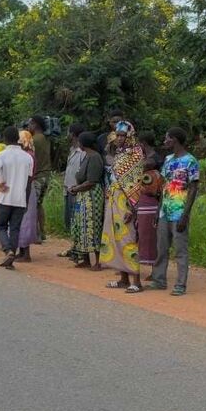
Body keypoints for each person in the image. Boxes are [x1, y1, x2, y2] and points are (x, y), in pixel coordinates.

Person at [152, 127, 200, 296]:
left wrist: (185, 215)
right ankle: (159, 280)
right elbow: (163, 187)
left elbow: (193, 189)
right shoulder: (168, 159)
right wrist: (158, 212)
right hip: (165, 210)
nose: (165, 142)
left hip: (179, 211)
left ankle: (180, 284)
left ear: (174, 140)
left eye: (167, 138)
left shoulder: (190, 161)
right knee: (161, 247)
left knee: (180, 250)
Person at [101, 120, 146, 293]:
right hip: (113, 198)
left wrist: (132, 208)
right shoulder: (120, 153)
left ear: (130, 136)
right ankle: (123, 278)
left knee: (129, 239)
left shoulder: (136, 153)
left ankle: (137, 280)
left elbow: (136, 183)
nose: (119, 138)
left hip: (127, 201)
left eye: (122, 135)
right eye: (117, 135)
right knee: (115, 237)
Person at [0, 126, 34, 270]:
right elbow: (29, 182)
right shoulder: (28, 157)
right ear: (17, 138)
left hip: (4, 197)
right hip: (20, 199)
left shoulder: (1, 155)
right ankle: (11, 257)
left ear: (4, 139)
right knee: (15, 229)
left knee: (1, 226)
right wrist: (26, 200)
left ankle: (8, 251)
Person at [69, 132, 104, 270]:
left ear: (83, 143)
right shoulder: (87, 156)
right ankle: (85, 259)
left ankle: (98, 261)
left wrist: (76, 188)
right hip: (83, 195)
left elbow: (92, 181)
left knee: (92, 226)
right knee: (81, 226)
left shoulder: (94, 157)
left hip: (91, 195)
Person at [60, 124, 86, 256]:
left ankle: (78, 248)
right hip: (68, 189)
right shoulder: (72, 150)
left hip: (76, 190)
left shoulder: (82, 153)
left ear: (74, 135)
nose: (67, 135)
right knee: (70, 220)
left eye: (68, 133)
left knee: (77, 220)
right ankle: (74, 246)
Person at [134, 156, 163, 272]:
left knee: (147, 239)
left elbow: (152, 191)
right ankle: (154, 269)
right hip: (150, 208)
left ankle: (154, 270)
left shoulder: (149, 175)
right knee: (151, 239)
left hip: (147, 209)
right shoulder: (158, 174)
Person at [15, 130, 40, 261]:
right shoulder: (26, 154)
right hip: (23, 187)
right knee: (21, 219)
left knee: (26, 221)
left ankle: (26, 254)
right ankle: (22, 250)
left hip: (27, 189)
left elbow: (29, 177)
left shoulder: (29, 155)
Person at [28, 116, 52, 242]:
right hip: (46, 175)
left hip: (37, 176)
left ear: (35, 124)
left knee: (32, 205)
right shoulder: (45, 138)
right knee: (38, 205)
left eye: (30, 123)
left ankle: (36, 235)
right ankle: (42, 232)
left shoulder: (34, 140)